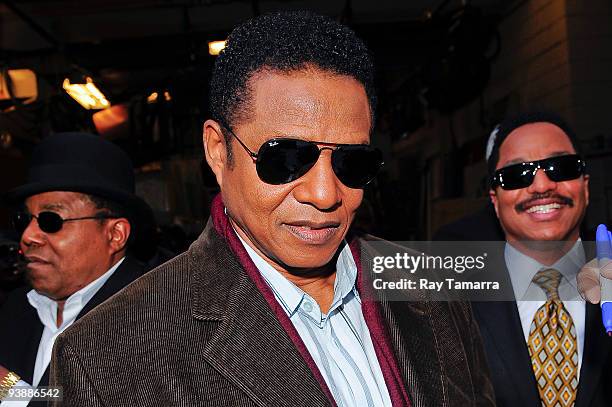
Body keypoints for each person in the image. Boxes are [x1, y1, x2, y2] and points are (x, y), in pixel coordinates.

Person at [50, 11, 494, 406]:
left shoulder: (431, 285)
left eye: (351, 161)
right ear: (218, 151)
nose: (324, 194)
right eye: (286, 158)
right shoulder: (107, 355)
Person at [0, 132, 151, 405]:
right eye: (25, 218)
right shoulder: (17, 308)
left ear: (115, 234)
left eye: (51, 220)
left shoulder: (157, 316)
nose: (28, 235)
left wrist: (10, 390)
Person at [472, 112, 612, 406]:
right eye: (515, 175)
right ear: (495, 201)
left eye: (561, 167)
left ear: (585, 187)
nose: (541, 186)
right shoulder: (451, 303)